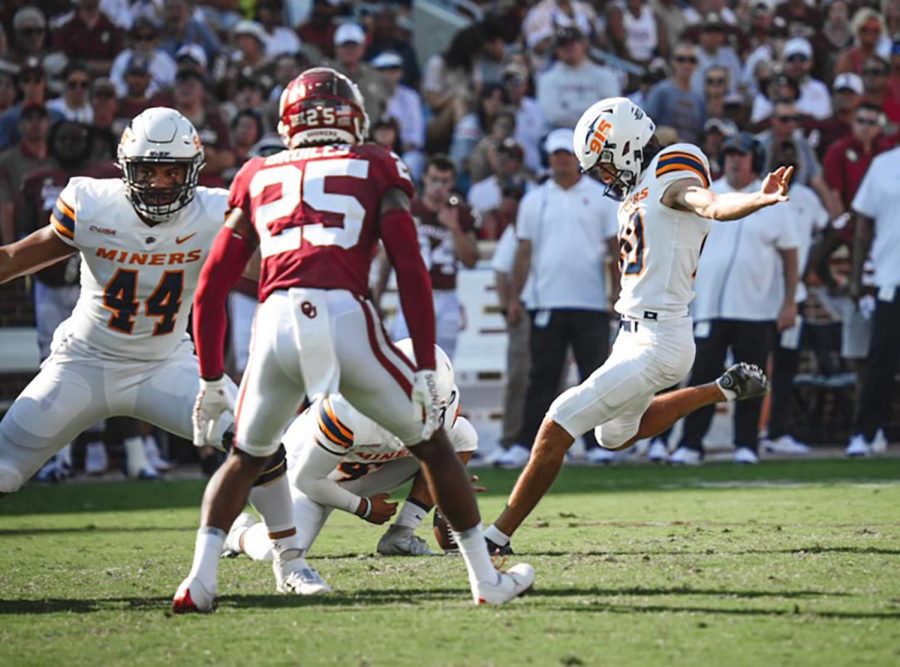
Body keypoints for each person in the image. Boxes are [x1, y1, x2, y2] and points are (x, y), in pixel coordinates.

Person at [176, 68, 534, 612]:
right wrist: (419, 361)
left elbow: (211, 285)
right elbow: (410, 267)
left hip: (274, 318)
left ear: (287, 121)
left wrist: (208, 375)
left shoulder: (256, 172)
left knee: (246, 459)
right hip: (344, 311)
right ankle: (486, 580)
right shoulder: (375, 163)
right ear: (354, 116)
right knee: (435, 446)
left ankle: (199, 583)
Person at [0, 107, 312, 601]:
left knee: (260, 443)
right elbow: (18, 257)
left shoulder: (213, 212)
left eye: (172, 171)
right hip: (83, 361)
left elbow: (269, 271)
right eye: (148, 170)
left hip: (165, 364)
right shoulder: (91, 202)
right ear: (126, 166)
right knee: (3, 468)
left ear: (192, 169)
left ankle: (291, 562)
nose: (161, 182)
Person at [483, 97, 791, 554]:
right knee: (614, 435)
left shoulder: (671, 169)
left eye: (604, 165)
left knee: (557, 423)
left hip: (659, 339)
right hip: (631, 336)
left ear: (625, 146)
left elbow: (706, 202)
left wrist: (756, 199)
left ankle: (494, 536)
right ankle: (719, 389)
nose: (604, 177)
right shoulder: (639, 187)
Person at [222, 341, 477, 568]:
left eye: (432, 407)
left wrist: (450, 482)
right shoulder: (350, 409)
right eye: (415, 404)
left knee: (450, 446)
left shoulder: (445, 404)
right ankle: (238, 533)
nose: (424, 417)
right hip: (311, 477)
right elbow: (306, 480)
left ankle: (401, 534)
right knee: (279, 551)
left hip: (367, 472)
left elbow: (464, 438)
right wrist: (363, 508)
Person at [665, 133, 799, 465]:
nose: (733, 160)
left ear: (754, 158)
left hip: (755, 308)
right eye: (728, 154)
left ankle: (747, 444)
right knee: (701, 378)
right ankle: (691, 444)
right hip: (708, 305)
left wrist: (789, 301)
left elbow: (790, 255)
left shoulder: (773, 200)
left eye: (740, 154)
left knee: (750, 379)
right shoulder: (708, 193)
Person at [494, 128, 620, 468]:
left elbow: (614, 249)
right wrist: (517, 297)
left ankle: (595, 444)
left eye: (566, 154)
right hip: (546, 301)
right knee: (542, 377)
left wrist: (616, 293)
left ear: (578, 158)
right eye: (555, 155)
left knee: (593, 377)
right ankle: (528, 442)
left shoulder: (600, 197)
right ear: (548, 159)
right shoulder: (534, 200)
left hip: (591, 303)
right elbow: (524, 252)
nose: (561, 160)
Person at [384, 155, 478, 360]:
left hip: (447, 294)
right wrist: (378, 293)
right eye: (434, 179)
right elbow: (387, 256)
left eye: (444, 181)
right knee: (406, 358)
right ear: (424, 178)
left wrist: (454, 228)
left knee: (444, 363)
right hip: (414, 293)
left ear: (452, 183)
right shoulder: (409, 210)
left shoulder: (460, 213)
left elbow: (471, 260)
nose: (438, 187)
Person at [844, 144, 900, 456]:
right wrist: (855, 278)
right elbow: (863, 224)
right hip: (892, 279)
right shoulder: (884, 164)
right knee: (880, 363)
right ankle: (863, 434)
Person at [536, 27, 620, 130]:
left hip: (599, 130)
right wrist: (584, 124)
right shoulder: (547, 78)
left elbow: (612, 108)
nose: (568, 48)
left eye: (572, 43)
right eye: (563, 45)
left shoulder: (605, 75)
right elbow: (553, 115)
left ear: (584, 44)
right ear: (557, 50)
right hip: (563, 131)